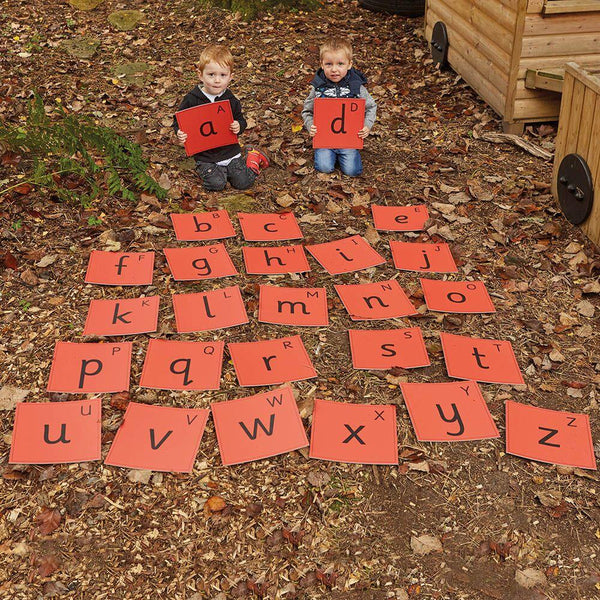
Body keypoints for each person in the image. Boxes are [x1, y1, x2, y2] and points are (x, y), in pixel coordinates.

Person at [173, 45, 268, 191]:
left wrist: (238, 126)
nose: (217, 80)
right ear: (200, 75)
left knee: (243, 183)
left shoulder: (230, 100)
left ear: (231, 77)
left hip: (230, 152)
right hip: (206, 156)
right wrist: (180, 132)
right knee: (216, 184)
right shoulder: (191, 99)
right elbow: (179, 121)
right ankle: (219, 174)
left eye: (222, 75)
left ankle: (252, 159)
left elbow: (241, 120)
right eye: (211, 74)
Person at [302, 37, 377, 177]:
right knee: (324, 167)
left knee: (352, 171)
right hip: (325, 140)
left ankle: (345, 156)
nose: (334, 70)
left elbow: (371, 107)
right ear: (322, 65)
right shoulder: (318, 88)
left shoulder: (356, 87)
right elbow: (307, 111)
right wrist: (310, 125)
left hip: (348, 140)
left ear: (349, 64)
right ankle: (329, 155)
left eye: (340, 64)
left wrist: (367, 126)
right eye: (329, 64)